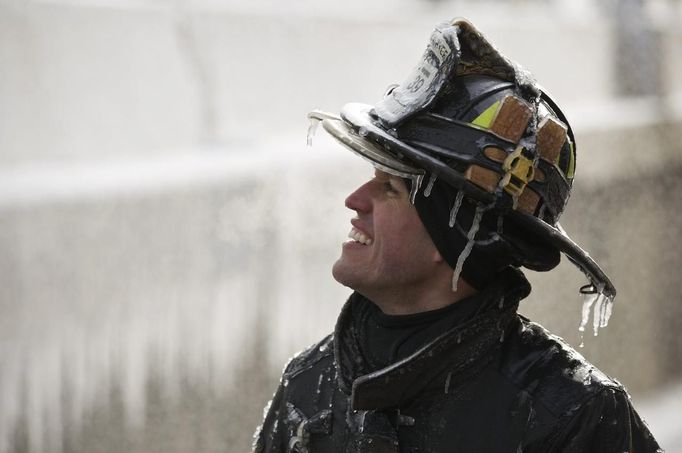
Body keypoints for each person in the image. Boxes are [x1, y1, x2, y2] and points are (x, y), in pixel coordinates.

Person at [253, 18, 661, 452]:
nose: (355, 200)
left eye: (390, 187)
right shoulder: (307, 389)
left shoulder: (571, 418)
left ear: (456, 231)